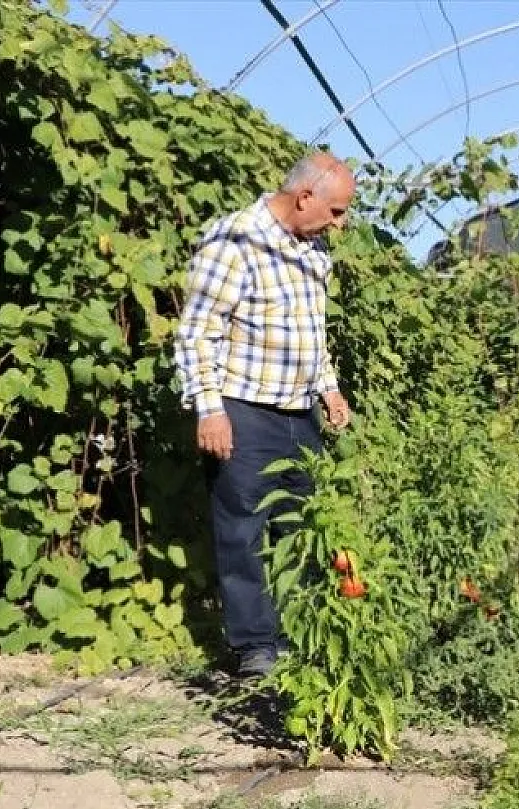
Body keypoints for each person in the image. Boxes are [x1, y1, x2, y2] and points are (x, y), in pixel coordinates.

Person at [174, 151, 356, 677]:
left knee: (305, 526)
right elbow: (196, 334)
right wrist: (210, 411)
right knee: (243, 530)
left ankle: (302, 634)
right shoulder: (235, 241)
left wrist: (329, 388)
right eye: (336, 211)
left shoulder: (313, 248)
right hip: (243, 410)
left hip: (299, 412)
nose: (340, 224)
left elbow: (311, 329)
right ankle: (255, 646)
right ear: (305, 197)